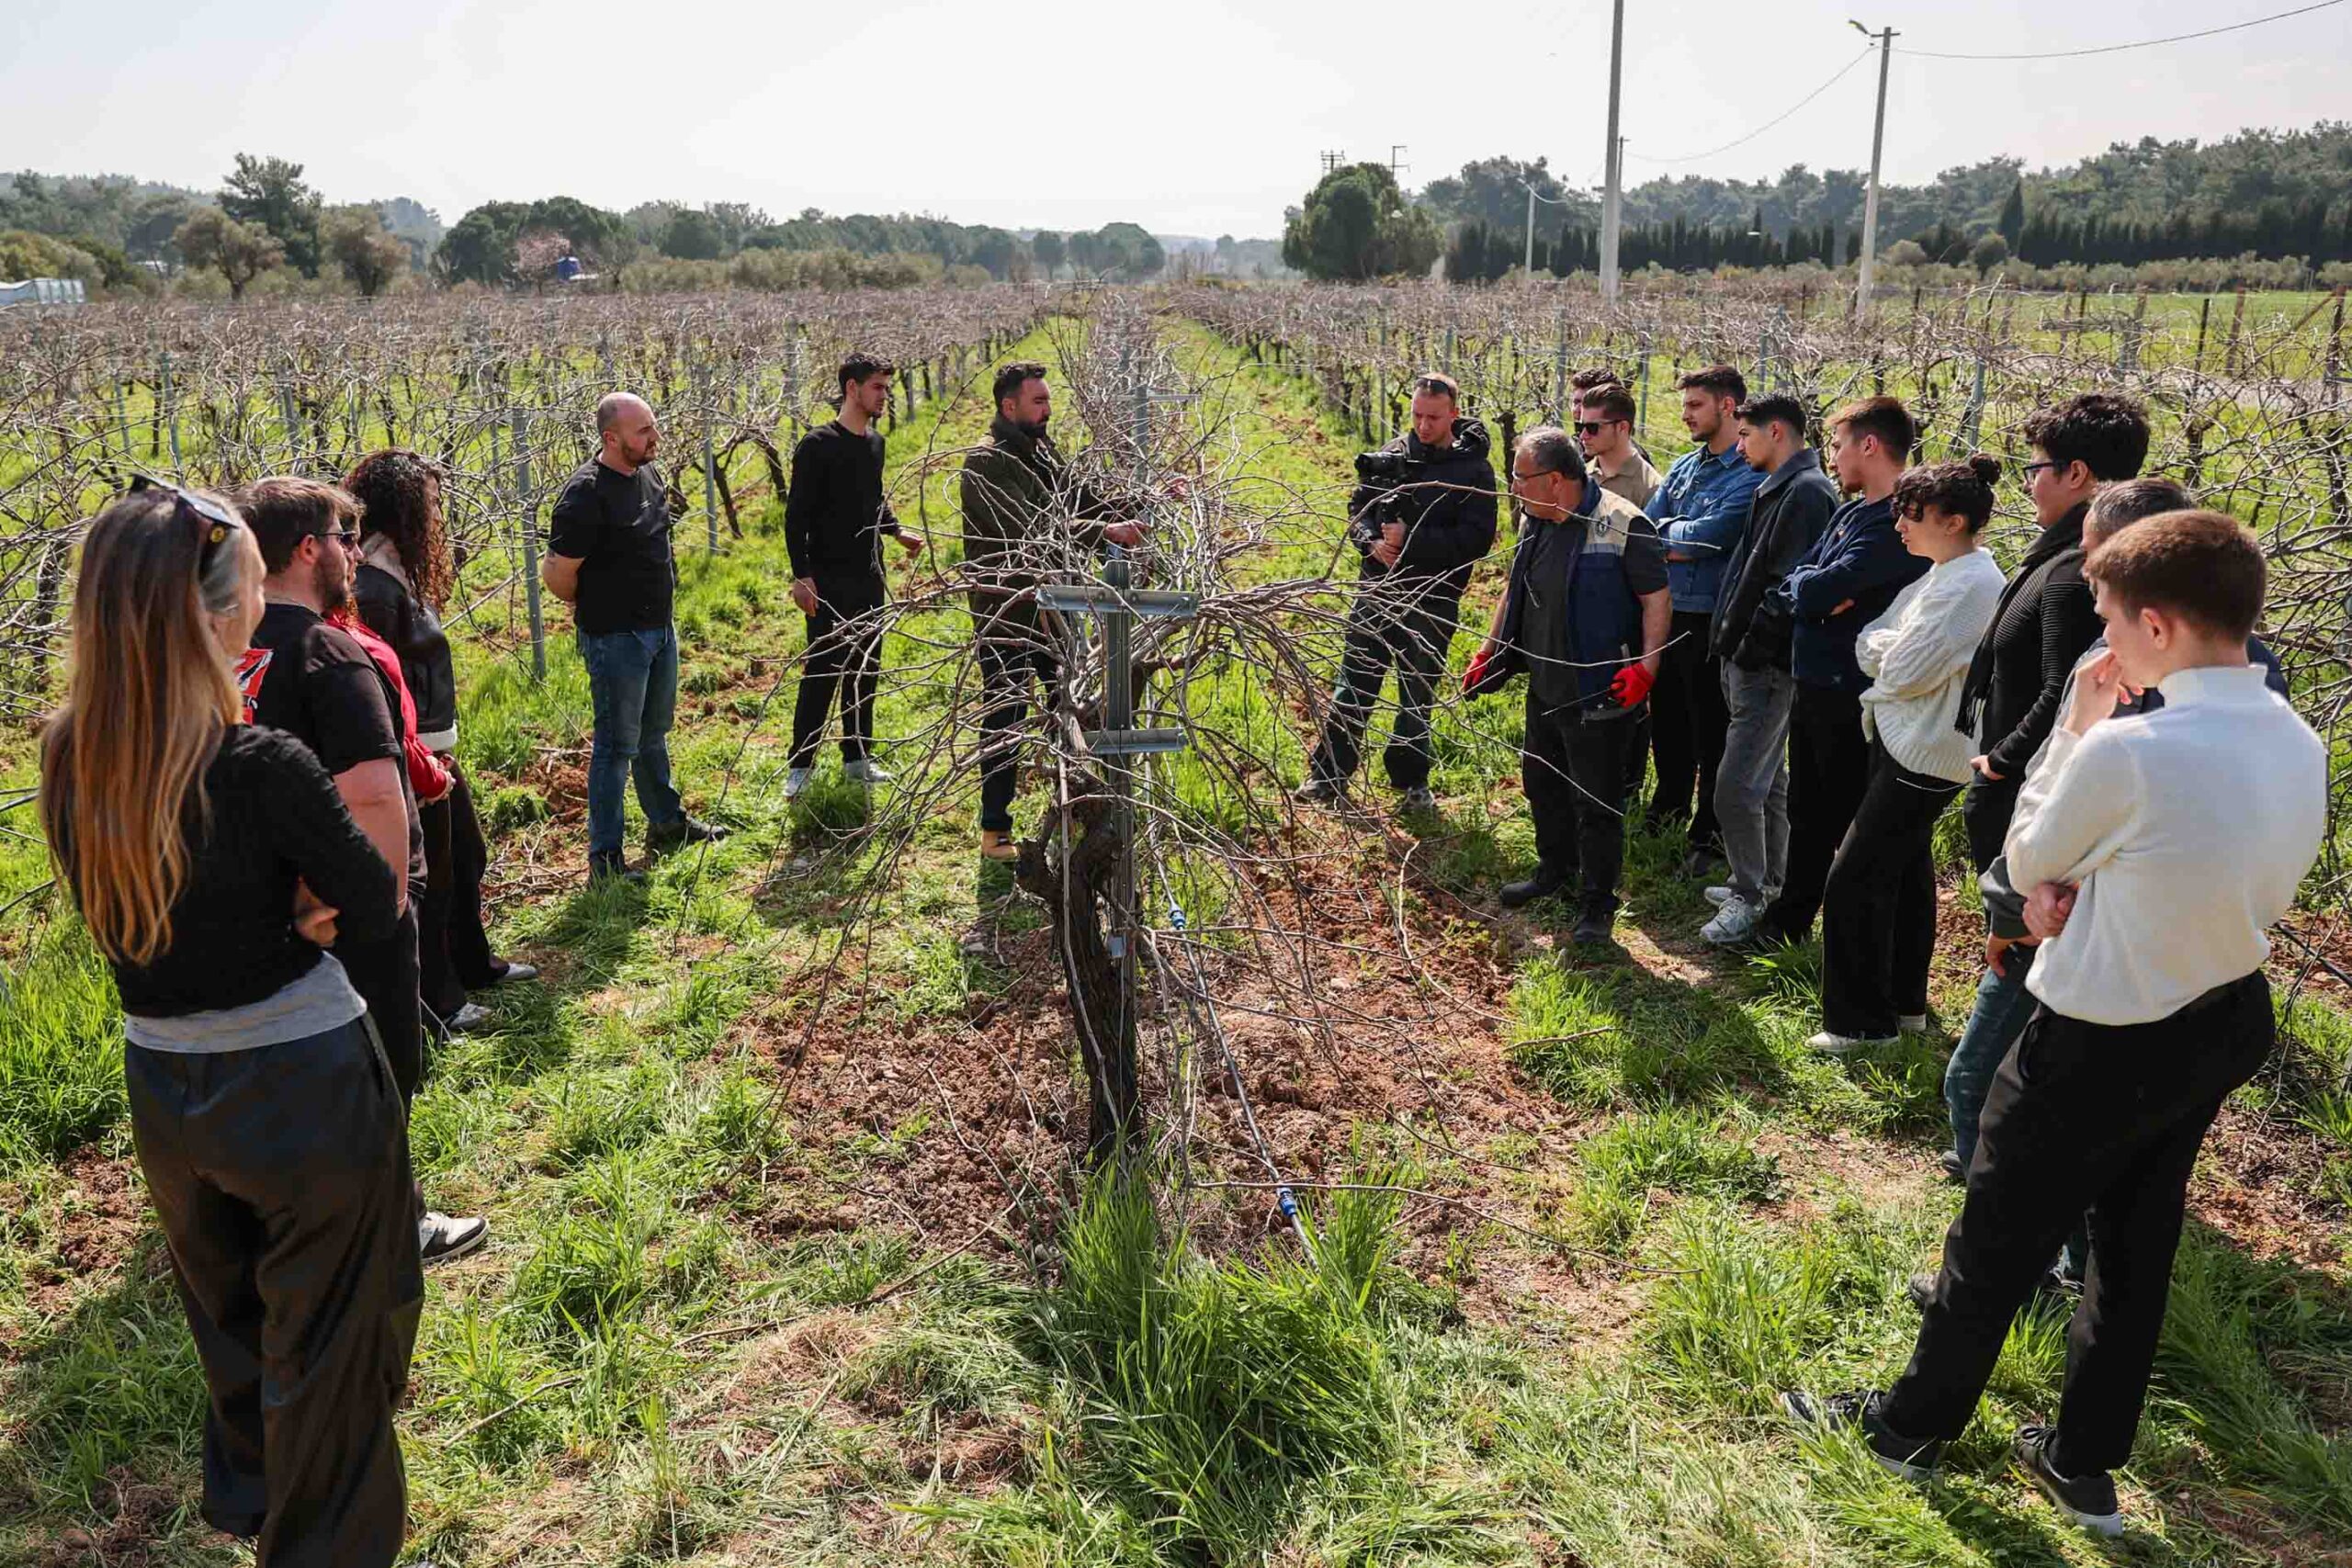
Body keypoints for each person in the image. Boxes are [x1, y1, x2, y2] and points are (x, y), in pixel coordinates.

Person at [1783, 511, 2324, 1540]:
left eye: (2111, 622)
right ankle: (2083, 1464)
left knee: (1993, 1236)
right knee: (2133, 1243)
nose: (2103, 644)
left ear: (2157, 626)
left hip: (2100, 1024)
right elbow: (2201, 867)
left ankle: (1906, 1431)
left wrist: (2076, 724)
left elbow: (2028, 860)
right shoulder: (2296, 739)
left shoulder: (2130, 745)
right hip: (2220, 1015)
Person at [39, 483, 421, 1566]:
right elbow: (377, 899)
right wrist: (300, 903)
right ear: (214, 610)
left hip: (167, 1095)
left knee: (240, 1332)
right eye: (252, 578)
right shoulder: (260, 765)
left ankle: (259, 1503)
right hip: (301, 1087)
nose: (263, 596)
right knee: (341, 1341)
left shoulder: (74, 759)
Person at [1936, 476, 2289, 1185]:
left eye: (2100, 565)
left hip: (2079, 928)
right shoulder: (2250, 679)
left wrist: (2014, 908)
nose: (2091, 590)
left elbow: (2070, 813)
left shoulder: (2134, 673)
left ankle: (2012, 1235)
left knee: (1985, 1083)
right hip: (2158, 952)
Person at [241, 477, 486, 1267]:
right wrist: (383, 909)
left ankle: (296, 1219)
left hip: (268, 903)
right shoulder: (328, 652)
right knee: (382, 1068)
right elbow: (376, 796)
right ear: (309, 549)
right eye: (342, 538)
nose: (354, 552)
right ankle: (394, 1223)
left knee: (294, 1070)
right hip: (349, 904)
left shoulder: (229, 649)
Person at [1935, 394, 2150, 1183]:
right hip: (2036, 827)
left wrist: (2000, 763)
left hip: (2042, 833)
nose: (2026, 484)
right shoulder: (2065, 558)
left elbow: (2061, 691)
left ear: (2078, 474)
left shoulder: (2071, 574)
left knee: (2021, 993)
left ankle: (2002, 1144)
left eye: (2034, 469)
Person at [1808, 457, 2007, 1052]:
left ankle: (1860, 1025)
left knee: (1853, 879)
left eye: (1912, 514)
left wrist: (1884, 652)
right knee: (1903, 874)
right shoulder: (1941, 572)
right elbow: (1877, 636)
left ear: (1954, 519)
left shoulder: (1974, 584)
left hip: (1926, 752)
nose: (1898, 525)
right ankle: (1903, 1007)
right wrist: (1885, 651)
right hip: (1904, 737)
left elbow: (1899, 665)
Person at [349, 449, 537, 1035]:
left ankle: (474, 965)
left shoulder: (397, 572)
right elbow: (381, 686)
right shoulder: (374, 589)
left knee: (466, 858)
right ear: (402, 509)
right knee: (431, 879)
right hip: (414, 755)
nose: (438, 511)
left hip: (436, 746)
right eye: (429, 501)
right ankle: (441, 1002)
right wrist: (415, 760)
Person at [1464, 426, 1670, 947]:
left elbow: (1656, 600)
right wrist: (1489, 650)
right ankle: (1554, 870)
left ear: (1555, 480)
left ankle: (1598, 904)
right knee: (1543, 784)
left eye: (1520, 476)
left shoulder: (1624, 522)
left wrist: (1646, 668)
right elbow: (1513, 588)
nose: (1512, 485)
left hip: (1600, 691)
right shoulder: (1534, 521)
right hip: (1546, 687)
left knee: (1596, 804)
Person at [1744, 397, 1926, 948]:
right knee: (1807, 805)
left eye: (1841, 443)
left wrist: (1817, 592)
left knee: (1841, 813)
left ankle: (1842, 931)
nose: (1835, 455)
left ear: (1869, 445)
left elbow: (1817, 587)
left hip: (1854, 693)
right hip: (1816, 682)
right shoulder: (1850, 513)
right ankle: (1791, 919)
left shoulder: (1900, 523)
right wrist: (1817, 593)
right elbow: (1802, 581)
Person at [960, 360, 1149, 861]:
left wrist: (1130, 508)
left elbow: (1079, 501)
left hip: (1055, 605)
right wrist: (1103, 534)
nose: (1048, 409)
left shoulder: (1040, 450)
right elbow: (1031, 530)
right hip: (1009, 609)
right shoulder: (987, 462)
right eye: (1039, 401)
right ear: (1010, 406)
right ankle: (994, 831)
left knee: (1067, 704)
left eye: (1048, 400)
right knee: (1006, 710)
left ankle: (1070, 809)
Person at [1295, 371, 1498, 815]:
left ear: (1454, 414)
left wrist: (1410, 542)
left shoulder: (1474, 470)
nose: (1423, 426)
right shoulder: (1389, 456)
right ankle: (1328, 774)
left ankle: (1412, 783)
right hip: (1377, 591)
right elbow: (1358, 509)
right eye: (1417, 415)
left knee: (1416, 692)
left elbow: (1477, 538)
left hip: (1434, 597)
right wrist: (1371, 543)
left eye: (1433, 417)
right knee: (1355, 683)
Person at [544, 391, 727, 884]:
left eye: (653, 426)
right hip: (616, 638)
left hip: (659, 630)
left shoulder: (646, 472)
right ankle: (605, 861)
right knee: (615, 746)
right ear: (611, 438)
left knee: (653, 732)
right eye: (643, 430)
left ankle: (666, 821)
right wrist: (603, 607)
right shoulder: (584, 495)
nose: (654, 437)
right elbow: (559, 576)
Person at [1702, 395, 1839, 946]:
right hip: (1747, 659)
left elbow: (1789, 587)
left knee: (1734, 787)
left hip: (1766, 665)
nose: (1739, 448)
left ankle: (1748, 893)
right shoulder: (1783, 487)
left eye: (1746, 437)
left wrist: (1752, 648)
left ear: (1777, 432)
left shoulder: (1806, 493)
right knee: (1769, 783)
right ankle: (1769, 881)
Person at [784, 353, 923, 800]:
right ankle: (800, 768)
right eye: (878, 387)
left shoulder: (875, 444)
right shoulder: (817, 445)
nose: (885, 395)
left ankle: (857, 758)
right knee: (823, 669)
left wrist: (896, 530)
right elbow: (795, 517)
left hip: (869, 573)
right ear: (852, 388)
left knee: (866, 666)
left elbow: (873, 498)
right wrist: (802, 576)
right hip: (827, 577)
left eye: (887, 387)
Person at [1644, 367, 1763, 874]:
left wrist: (1672, 537)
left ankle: (1709, 836)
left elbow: (1705, 540)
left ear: (1728, 408)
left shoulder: (1750, 476)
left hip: (1712, 621)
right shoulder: (1683, 468)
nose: (1686, 414)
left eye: (1695, 405)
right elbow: (1645, 529)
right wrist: (1675, 538)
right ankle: (1666, 810)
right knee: (1667, 722)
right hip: (1669, 614)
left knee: (1710, 729)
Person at [1575, 383, 1660, 509]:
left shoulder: (1651, 488)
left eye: (1592, 428)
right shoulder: (1579, 477)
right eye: (1580, 427)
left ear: (1622, 427)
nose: (1583, 435)